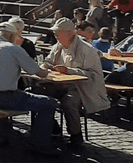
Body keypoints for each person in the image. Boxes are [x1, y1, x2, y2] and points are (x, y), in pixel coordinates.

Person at [0, 22, 58, 155]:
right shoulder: (14, 49)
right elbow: (38, 72)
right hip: (3, 97)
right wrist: (49, 71)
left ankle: (11, 133)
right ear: (12, 36)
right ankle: (39, 142)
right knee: (49, 103)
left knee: (27, 95)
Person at [43, 18, 109, 150]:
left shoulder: (87, 50)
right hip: (58, 84)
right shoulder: (58, 46)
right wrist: (44, 67)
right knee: (37, 93)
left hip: (80, 88)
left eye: (57, 33)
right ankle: (49, 129)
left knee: (69, 102)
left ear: (68, 33)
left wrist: (69, 71)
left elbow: (92, 75)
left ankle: (76, 136)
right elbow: (47, 61)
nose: (55, 35)